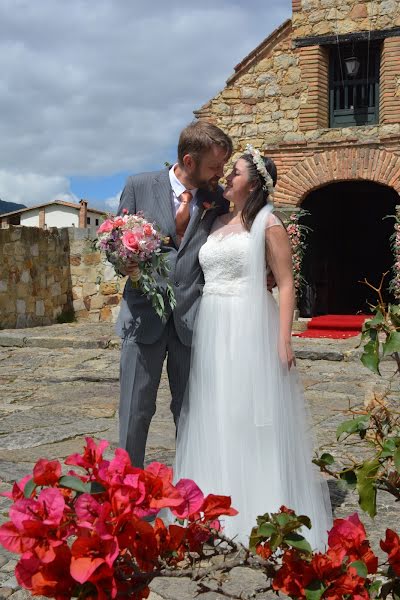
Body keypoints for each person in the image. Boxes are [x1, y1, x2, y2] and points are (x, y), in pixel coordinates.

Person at [174, 146, 332, 550]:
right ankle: (214, 500)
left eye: (236, 172)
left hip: (247, 325)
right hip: (211, 324)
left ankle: (257, 503)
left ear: (256, 183)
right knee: (215, 408)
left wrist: (283, 339)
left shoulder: (268, 223)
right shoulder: (214, 218)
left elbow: (285, 283)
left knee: (249, 412)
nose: (227, 177)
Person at [114, 121, 233, 469]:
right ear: (189, 160)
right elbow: (115, 245)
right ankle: (126, 489)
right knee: (135, 409)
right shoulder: (138, 186)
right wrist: (126, 261)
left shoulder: (218, 200)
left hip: (192, 320)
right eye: (215, 166)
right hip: (143, 318)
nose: (220, 174)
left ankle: (190, 490)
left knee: (191, 412)